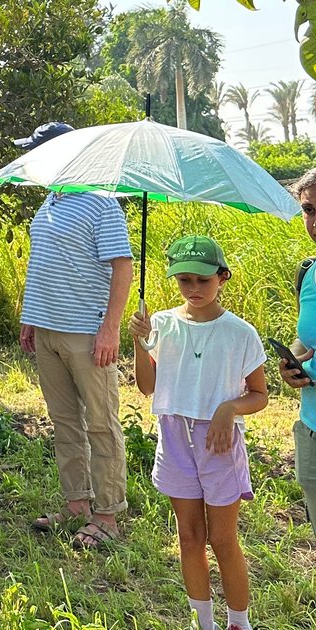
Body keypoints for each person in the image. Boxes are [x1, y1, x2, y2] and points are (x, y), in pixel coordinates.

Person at [130, 235, 265, 630]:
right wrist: (140, 341)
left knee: (222, 539)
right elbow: (147, 387)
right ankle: (202, 623)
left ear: (223, 277)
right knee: (189, 537)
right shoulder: (162, 324)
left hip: (218, 443)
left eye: (203, 280)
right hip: (174, 437)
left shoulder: (240, 333)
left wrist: (229, 408)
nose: (194, 289)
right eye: (184, 280)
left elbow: (259, 395)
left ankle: (238, 622)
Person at [17, 122, 134, 549]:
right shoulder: (51, 200)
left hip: (87, 334)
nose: (31, 159)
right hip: (47, 330)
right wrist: (30, 317)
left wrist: (110, 328)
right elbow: (43, 262)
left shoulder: (101, 203)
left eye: (36, 151)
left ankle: (108, 514)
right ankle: (77, 503)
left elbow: (123, 266)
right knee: (64, 422)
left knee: (101, 424)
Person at [277, 167, 316, 534]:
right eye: (309, 210)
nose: (315, 223)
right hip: (311, 426)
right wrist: (292, 360)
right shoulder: (308, 274)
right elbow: (305, 337)